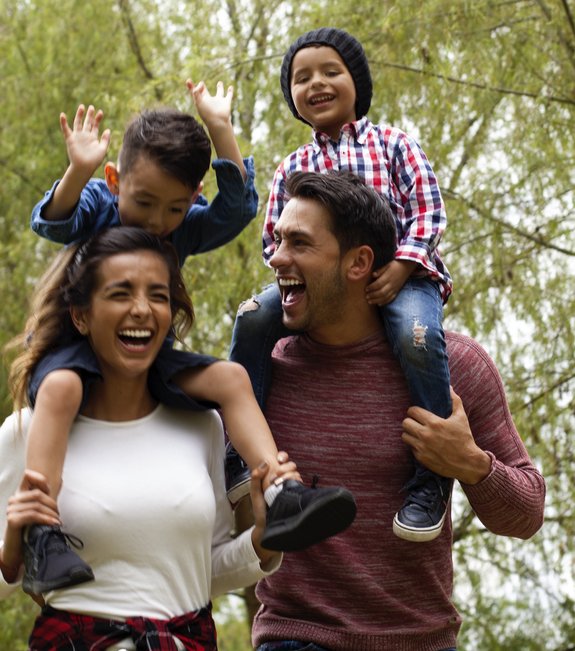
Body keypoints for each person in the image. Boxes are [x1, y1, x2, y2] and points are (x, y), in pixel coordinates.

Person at [22, 84, 354, 595]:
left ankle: (283, 491)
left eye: (174, 208)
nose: (156, 222)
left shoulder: (181, 228)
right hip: (75, 352)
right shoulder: (99, 202)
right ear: (116, 181)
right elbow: (52, 222)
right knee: (62, 389)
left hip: (148, 357)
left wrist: (221, 129)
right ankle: (41, 535)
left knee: (231, 376)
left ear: (192, 198)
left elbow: (237, 210)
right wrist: (79, 170)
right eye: (145, 202)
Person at [249, 170, 546, 651]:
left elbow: (527, 514)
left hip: (421, 641)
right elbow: (221, 525)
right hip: (295, 637)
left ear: (359, 262)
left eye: (299, 243)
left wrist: (471, 464)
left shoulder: (456, 368)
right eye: (279, 239)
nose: (277, 257)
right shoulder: (260, 375)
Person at [0, 226, 298, 650]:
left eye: (158, 295)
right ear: (80, 316)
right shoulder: (28, 431)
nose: (142, 309)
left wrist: (262, 544)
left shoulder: (202, 426)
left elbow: (203, 570)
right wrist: (12, 550)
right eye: (120, 294)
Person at [230, 27, 457, 542]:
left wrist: (400, 265)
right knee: (252, 316)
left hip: (403, 277)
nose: (317, 84)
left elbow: (428, 213)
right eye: (301, 77)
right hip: (320, 282)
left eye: (331, 72)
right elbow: (273, 241)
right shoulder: (293, 166)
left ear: (357, 82)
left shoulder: (393, 144)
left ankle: (432, 475)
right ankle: (239, 451)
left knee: (415, 336)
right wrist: (293, 270)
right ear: (291, 96)